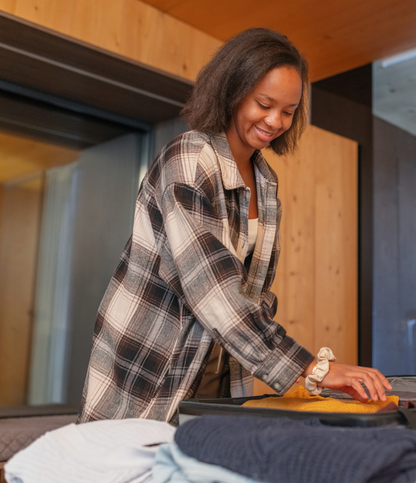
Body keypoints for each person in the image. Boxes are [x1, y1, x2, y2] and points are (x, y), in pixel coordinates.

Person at [78, 28, 390, 423]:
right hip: (150, 369)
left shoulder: (266, 183)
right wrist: (314, 369)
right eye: (264, 104)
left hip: (220, 373)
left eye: (289, 111)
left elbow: (251, 297)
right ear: (232, 91)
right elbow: (214, 292)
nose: (276, 121)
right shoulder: (190, 160)